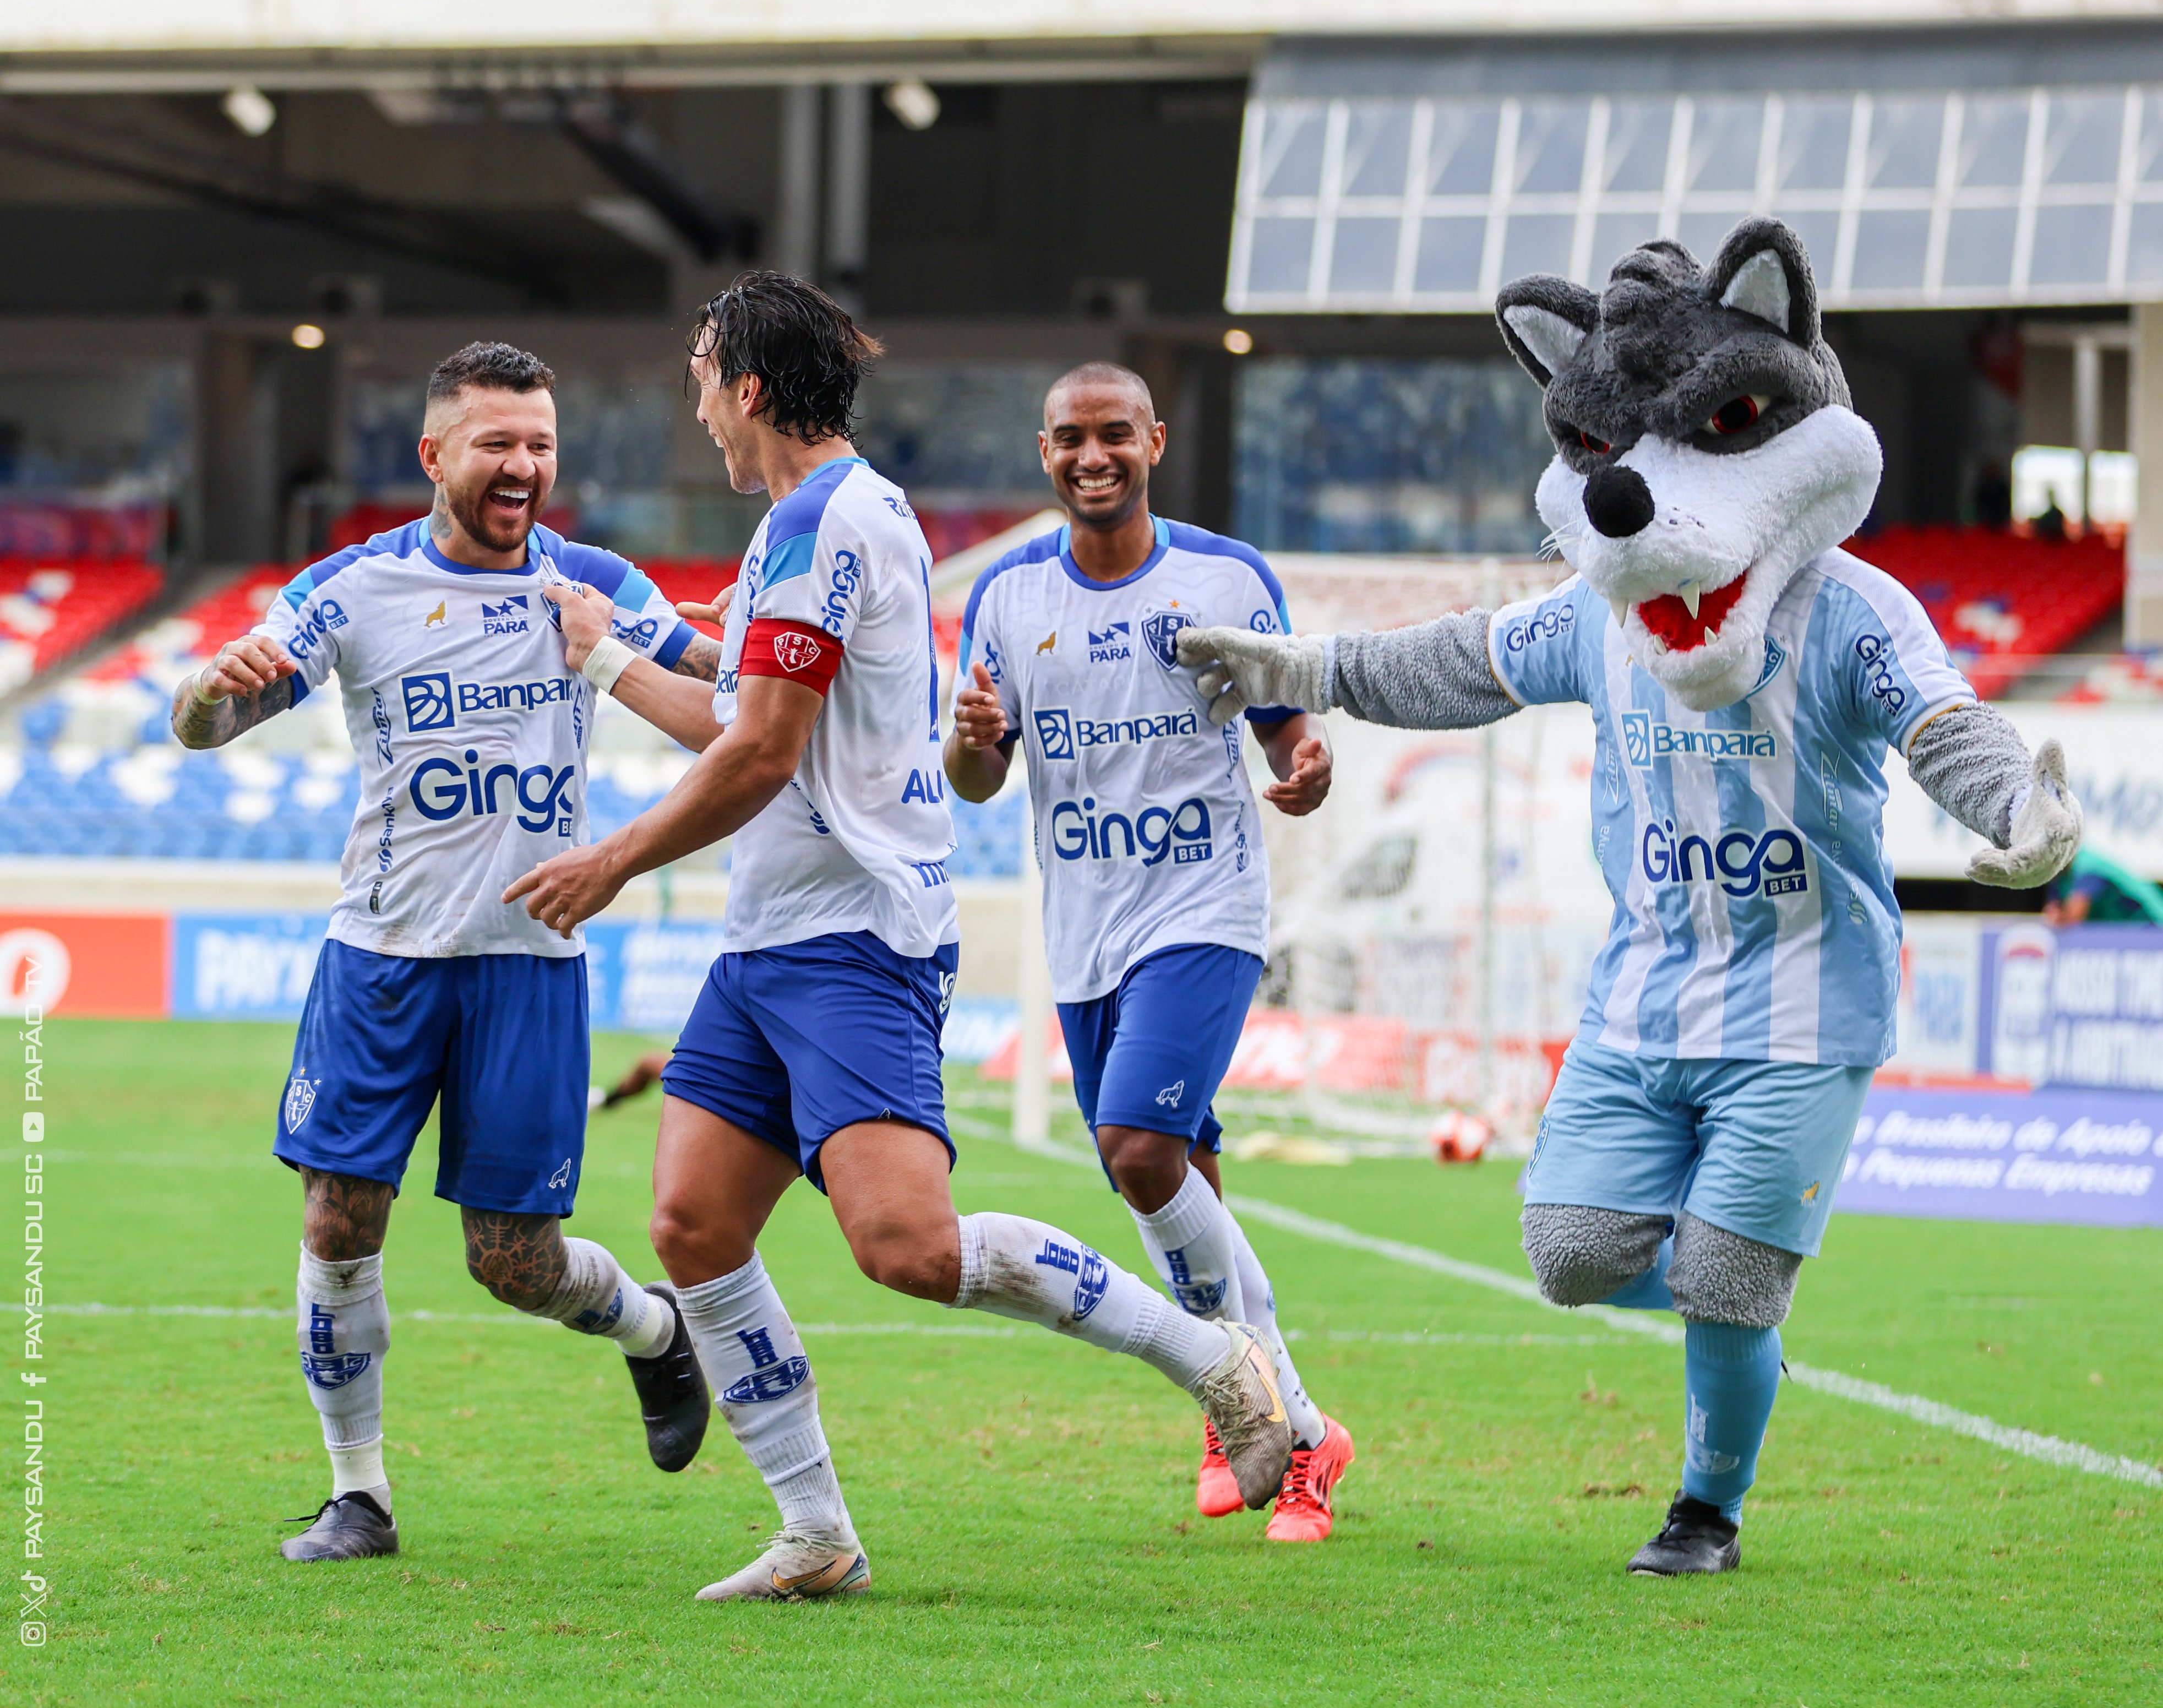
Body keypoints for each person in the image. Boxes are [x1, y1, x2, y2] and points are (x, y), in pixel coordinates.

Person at [1176, 219, 2084, 1575]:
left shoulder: (1849, 610)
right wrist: (1293, 670)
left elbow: (1942, 728)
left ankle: (1704, 1506)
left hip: (1805, 1005)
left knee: (1721, 1288)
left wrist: (2021, 813)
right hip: (1641, 1002)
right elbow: (1451, 663)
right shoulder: (1601, 616)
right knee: (1569, 1252)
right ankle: (1749, 1264)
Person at [503, 273, 1293, 1603]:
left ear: (748, 388)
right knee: (693, 1225)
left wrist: (614, 851)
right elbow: (733, 696)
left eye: (704, 373)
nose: (696, 402)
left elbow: (756, 748)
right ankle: (817, 1533)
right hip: (775, 935)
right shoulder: (796, 530)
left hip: (855, 934)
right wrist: (621, 642)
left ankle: (1216, 1363)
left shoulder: (828, 522)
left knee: (908, 1249)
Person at [171, 342, 720, 1563]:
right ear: (434, 456)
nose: (522, 465)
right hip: (380, 954)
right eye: (496, 444)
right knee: (335, 1221)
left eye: (539, 445)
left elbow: (724, 693)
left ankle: (653, 1333)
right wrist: (211, 692)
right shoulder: (349, 587)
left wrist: (683, 648)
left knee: (513, 1262)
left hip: (529, 958)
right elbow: (212, 722)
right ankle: (357, 1493)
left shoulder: (596, 582)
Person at [943, 362, 1353, 1541]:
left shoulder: (1222, 577)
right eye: (1069, 436)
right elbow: (978, 774)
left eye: (1113, 433)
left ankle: (1292, 1417)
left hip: (1203, 909)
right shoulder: (1011, 600)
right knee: (1179, 1164)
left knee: (1135, 1147)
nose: (1092, 454)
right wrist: (973, 742)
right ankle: (1255, 1404)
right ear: (1043, 451)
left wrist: (1305, 770)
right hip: (1083, 934)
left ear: (1153, 440)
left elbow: (1291, 737)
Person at [2044, 843, 2163, 925]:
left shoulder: (2088, 866)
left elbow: (2074, 916)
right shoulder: (2057, 873)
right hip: (2123, 929)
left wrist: (2060, 918)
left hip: (2152, 921)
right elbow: (2053, 910)